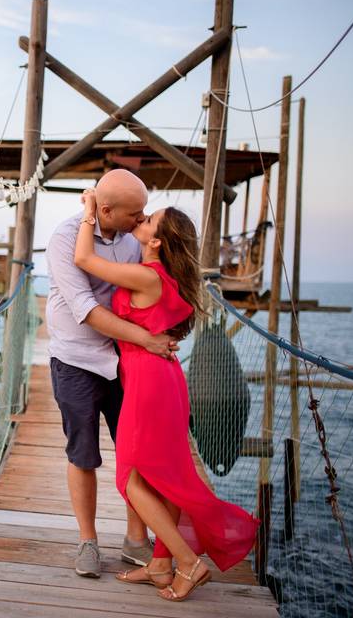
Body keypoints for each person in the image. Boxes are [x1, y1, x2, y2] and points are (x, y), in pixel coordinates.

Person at [73, 190, 260, 602]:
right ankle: (160, 565)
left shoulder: (148, 276)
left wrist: (89, 212)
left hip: (148, 383)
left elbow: (84, 260)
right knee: (164, 478)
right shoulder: (163, 277)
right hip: (164, 379)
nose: (140, 220)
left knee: (130, 479)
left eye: (147, 221)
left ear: (156, 241)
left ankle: (189, 562)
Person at [45, 169, 179, 578]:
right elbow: (84, 309)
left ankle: (136, 539)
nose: (142, 220)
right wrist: (148, 337)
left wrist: (157, 334)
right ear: (105, 209)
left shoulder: (133, 241)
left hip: (126, 360)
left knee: (136, 453)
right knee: (83, 453)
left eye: (144, 215)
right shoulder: (66, 237)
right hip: (76, 359)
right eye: (135, 214)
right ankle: (88, 539)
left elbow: (154, 285)